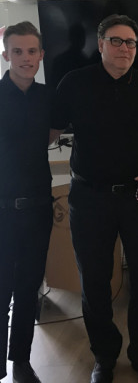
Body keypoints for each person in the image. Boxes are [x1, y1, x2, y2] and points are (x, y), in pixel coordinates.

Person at [50, 14, 138, 383]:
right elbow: (48, 130)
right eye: (117, 41)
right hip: (89, 198)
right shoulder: (74, 83)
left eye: (131, 42)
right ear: (101, 44)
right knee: (94, 282)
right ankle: (104, 357)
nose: (125, 48)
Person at [0, 22, 53, 383]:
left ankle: (21, 360)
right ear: (6, 55)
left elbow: (53, 133)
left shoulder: (49, 97)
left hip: (37, 208)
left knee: (28, 287)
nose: (25, 58)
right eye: (17, 51)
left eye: (31, 51)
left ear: (41, 55)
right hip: (1, 209)